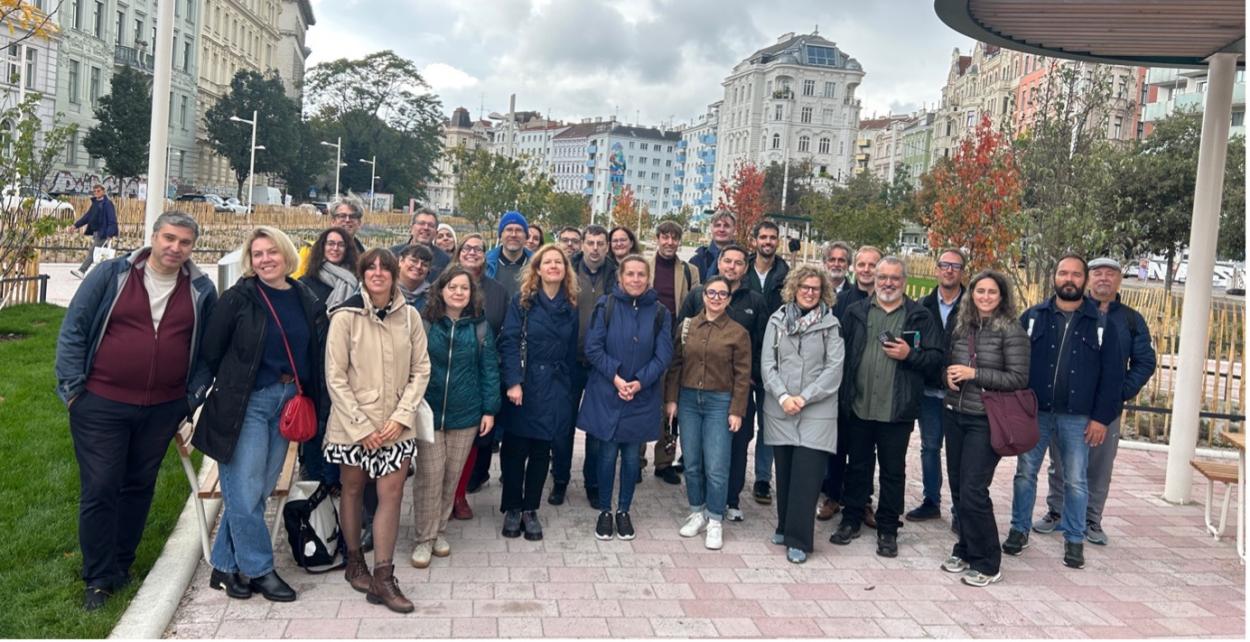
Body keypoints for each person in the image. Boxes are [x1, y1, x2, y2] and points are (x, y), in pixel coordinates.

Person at [57, 211, 217, 610]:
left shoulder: (200, 289)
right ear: (153, 237)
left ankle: (122, 565)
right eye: (169, 238)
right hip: (101, 403)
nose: (175, 248)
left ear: (192, 247)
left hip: (162, 408)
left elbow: (207, 354)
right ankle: (97, 577)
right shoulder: (112, 275)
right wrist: (74, 391)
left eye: (184, 242)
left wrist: (190, 399)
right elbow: (74, 329)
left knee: (138, 486)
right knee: (101, 486)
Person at [195, 226, 328, 603]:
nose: (265, 259)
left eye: (272, 252)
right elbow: (211, 351)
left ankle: (223, 564)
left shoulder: (304, 295)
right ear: (250, 260)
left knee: (256, 489)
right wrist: (192, 399)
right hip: (246, 404)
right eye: (257, 254)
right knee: (246, 489)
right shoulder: (239, 298)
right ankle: (259, 569)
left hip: (288, 402)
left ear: (286, 255)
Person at [324, 248, 430, 613]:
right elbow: (335, 377)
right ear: (363, 274)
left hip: (395, 425)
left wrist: (402, 417)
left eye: (386, 267)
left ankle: (384, 577)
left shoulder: (410, 316)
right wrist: (360, 427)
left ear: (395, 274)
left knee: (392, 493)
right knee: (352, 489)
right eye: (372, 267)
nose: (379, 273)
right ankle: (355, 563)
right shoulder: (345, 316)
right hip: (354, 424)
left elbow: (421, 370)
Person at [1005, 255, 1124, 570]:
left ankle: (1074, 538)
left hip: (1078, 418)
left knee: (1075, 480)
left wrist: (1101, 418)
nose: (1068, 279)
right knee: (1025, 474)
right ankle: (1019, 529)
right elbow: (1014, 363)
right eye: (1063, 273)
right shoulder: (1032, 318)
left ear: (1083, 280)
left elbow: (1112, 378)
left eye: (1075, 274)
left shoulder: (1102, 325)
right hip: (1035, 413)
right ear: (1054, 277)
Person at [1034, 257, 1156, 546]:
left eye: (1110, 274)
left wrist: (1117, 394)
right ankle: (1056, 511)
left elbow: (1144, 361)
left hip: (1105, 411)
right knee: (1060, 465)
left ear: (1119, 280)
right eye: (1097, 273)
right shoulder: (1074, 312)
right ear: (1088, 279)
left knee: (1099, 468)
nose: (1103, 278)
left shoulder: (1130, 320)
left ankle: (1091, 519)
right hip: (1066, 408)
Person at [830, 256, 942, 558]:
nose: (887, 283)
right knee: (857, 467)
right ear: (874, 280)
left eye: (894, 278)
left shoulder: (920, 316)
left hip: (897, 409)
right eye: (882, 278)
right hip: (859, 405)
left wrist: (910, 355)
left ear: (904, 281)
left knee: (893, 472)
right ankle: (851, 519)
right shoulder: (855, 312)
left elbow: (935, 361)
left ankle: (888, 528)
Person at [940, 270, 1029, 587]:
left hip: (986, 420)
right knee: (959, 489)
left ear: (1002, 296)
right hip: (955, 414)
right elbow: (950, 367)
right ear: (972, 294)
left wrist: (974, 373)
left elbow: (1018, 379)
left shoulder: (1011, 331)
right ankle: (964, 548)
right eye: (980, 291)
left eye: (992, 292)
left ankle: (988, 562)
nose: (986, 297)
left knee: (974, 491)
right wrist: (947, 377)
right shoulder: (963, 327)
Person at [410, 267, 500, 568]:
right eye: (453, 287)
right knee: (429, 476)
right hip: (430, 412)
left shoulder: (480, 327)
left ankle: (440, 532)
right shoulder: (425, 322)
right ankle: (424, 537)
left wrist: (490, 409)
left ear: (472, 293)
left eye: (464, 288)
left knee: (451, 476)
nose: (459, 292)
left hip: (467, 413)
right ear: (441, 290)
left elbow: (489, 369)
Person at [581, 255, 674, 540]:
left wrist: (639, 382)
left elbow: (664, 355)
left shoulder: (660, 313)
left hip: (641, 396)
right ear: (620, 277)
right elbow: (593, 347)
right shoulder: (605, 305)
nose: (635, 279)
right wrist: (618, 378)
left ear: (648, 279)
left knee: (632, 456)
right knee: (607, 453)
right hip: (609, 391)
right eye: (630, 274)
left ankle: (624, 510)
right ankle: (605, 511)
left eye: (640, 275)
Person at [761, 266, 845, 563]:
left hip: (816, 410)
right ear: (794, 289)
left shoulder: (831, 325)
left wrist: (804, 397)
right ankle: (784, 526)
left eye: (815, 288)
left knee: (807, 477)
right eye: (804, 287)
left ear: (823, 292)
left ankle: (799, 540)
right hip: (780, 407)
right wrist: (783, 396)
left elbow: (833, 369)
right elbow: (767, 364)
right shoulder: (777, 320)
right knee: (784, 473)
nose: (809, 292)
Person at [677, 245, 766, 522]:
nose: (732, 266)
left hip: (734, 391)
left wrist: (751, 377)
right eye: (727, 260)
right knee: (696, 454)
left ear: (745, 267)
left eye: (739, 262)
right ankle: (699, 506)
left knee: (735, 447)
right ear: (719, 263)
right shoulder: (696, 297)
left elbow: (761, 342)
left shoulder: (755, 300)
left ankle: (729, 501)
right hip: (694, 390)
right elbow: (681, 342)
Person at [496, 245, 580, 540]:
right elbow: (508, 341)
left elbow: (571, 352)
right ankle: (512, 508)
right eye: (548, 262)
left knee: (542, 452)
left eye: (559, 262)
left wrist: (568, 390)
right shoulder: (523, 302)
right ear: (538, 268)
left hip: (555, 387)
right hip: (526, 383)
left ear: (565, 270)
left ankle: (531, 508)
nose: (554, 266)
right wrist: (513, 382)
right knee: (516, 450)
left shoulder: (570, 305)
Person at [666, 275, 749, 549]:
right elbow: (675, 365)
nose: (715, 298)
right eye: (711, 293)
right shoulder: (687, 326)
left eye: (721, 294)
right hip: (689, 399)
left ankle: (715, 519)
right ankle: (697, 511)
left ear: (728, 299)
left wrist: (736, 410)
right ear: (703, 296)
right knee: (691, 463)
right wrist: (672, 399)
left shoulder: (738, 332)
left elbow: (742, 375)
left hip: (719, 402)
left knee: (716, 465)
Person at [554, 224, 617, 507]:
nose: (594, 248)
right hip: (568, 363)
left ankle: (593, 482)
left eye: (600, 243)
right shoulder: (567, 272)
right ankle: (560, 480)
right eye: (589, 242)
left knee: (596, 429)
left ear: (607, 246)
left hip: (600, 365)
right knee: (563, 425)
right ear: (582, 244)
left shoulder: (616, 275)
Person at [821, 244, 882, 523]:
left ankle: (862, 500)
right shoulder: (842, 300)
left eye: (873, 265)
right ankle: (833, 496)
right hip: (845, 387)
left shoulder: (890, 302)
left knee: (865, 452)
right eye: (862, 265)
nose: (867, 270)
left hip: (874, 390)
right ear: (854, 268)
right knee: (838, 446)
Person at [453, 233, 511, 509]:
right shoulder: (444, 282)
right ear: (459, 251)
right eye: (468, 247)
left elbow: (507, 331)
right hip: (450, 368)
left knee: (481, 433)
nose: (473, 252)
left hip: (488, 367)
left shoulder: (498, 291)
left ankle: (472, 480)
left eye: (479, 249)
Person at [908, 249, 966, 525]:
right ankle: (932, 501)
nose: (949, 270)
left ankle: (960, 509)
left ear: (962, 271)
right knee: (930, 447)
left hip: (962, 392)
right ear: (937, 270)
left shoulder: (972, 305)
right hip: (930, 390)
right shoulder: (923, 305)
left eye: (955, 266)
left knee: (959, 454)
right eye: (944, 265)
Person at [643, 220, 701, 484]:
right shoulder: (643, 265)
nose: (669, 242)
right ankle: (636, 456)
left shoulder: (690, 271)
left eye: (674, 238)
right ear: (657, 239)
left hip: (676, 344)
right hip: (645, 342)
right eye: (664, 237)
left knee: (671, 401)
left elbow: (695, 307)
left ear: (679, 241)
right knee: (643, 399)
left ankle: (664, 460)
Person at [745, 220, 789, 505]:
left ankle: (763, 477)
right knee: (741, 421)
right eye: (763, 236)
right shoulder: (742, 271)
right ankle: (732, 473)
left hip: (774, 361)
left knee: (769, 422)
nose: (768, 241)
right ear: (754, 240)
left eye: (773, 237)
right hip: (741, 361)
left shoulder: (787, 276)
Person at [294, 196, 367, 278]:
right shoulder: (310, 251)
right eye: (342, 216)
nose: (347, 220)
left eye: (352, 216)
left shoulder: (366, 255)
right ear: (333, 221)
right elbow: (297, 283)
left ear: (360, 223)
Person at [300, 227, 361, 310]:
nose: (335, 248)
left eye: (341, 245)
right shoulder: (306, 284)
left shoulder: (358, 280)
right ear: (322, 246)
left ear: (347, 249)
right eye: (331, 244)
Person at [69, 184, 119, 278]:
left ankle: (82, 271)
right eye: (95, 191)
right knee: (99, 254)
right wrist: (75, 225)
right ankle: (109, 273)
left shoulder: (107, 204)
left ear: (103, 191)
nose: (96, 193)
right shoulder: (95, 204)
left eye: (98, 191)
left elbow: (112, 219)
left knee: (93, 251)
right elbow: (87, 217)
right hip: (96, 232)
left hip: (103, 233)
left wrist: (110, 234)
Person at [390, 208, 451, 282]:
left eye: (431, 225)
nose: (426, 228)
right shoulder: (392, 254)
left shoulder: (444, 260)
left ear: (436, 233)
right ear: (411, 228)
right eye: (421, 223)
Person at [485, 210, 533, 298]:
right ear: (500, 236)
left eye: (518, 230)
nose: (513, 234)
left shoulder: (537, 265)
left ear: (526, 237)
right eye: (509, 230)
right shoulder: (485, 264)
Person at [689, 210, 736, 281]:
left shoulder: (743, 260)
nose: (721, 229)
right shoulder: (696, 261)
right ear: (711, 228)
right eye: (717, 225)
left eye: (726, 226)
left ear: (734, 229)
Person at [397, 244, 433, 310]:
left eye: (424, 265)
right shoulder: (386, 291)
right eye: (414, 261)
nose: (418, 266)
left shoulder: (433, 298)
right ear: (401, 261)